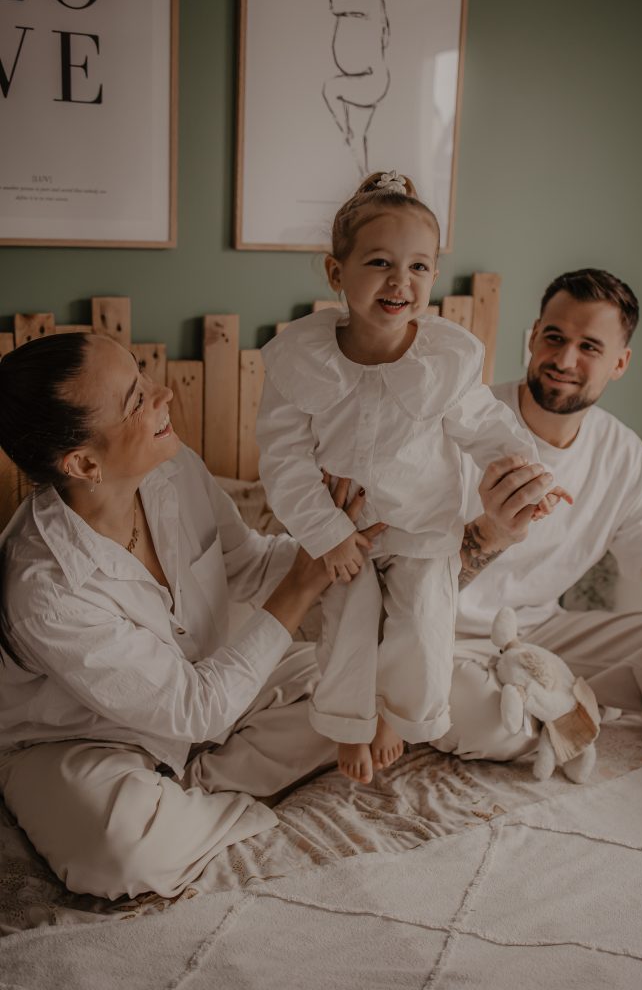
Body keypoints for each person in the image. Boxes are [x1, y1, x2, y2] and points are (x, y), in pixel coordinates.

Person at [0, 331, 385, 901]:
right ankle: (183, 791)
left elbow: (250, 565)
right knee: (119, 852)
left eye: (143, 374)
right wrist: (303, 584)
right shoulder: (45, 588)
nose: (165, 395)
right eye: (137, 399)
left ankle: (195, 783)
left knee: (363, 690)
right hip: (78, 744)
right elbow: (196, 706)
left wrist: (333, 541)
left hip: (205, 689)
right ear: (83, 461)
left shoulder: (175, 469)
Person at [256, 170, 570, 784]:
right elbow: (282, 458)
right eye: (379, 262)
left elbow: (487, 426)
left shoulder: (443, 360)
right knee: (348, 618)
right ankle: (348, 722)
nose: (402, 281)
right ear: (335, 273)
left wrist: (529, 474)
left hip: (426, 524)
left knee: (425, 620)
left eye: (421, 266)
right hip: (347, 530)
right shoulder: (301, 358)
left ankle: (397, 715)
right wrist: (324, 532)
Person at [432, 267, 642, 762]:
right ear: (532, 338)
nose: (564, 359)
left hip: (545, 633)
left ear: (620, 362)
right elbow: (405, 578)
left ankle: (556, 701)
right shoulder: (462, 425)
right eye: (554, 337)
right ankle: (565, 708)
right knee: (489, 722)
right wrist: (495, 531)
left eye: (590, 347)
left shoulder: (625, 456)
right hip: (444, 631)